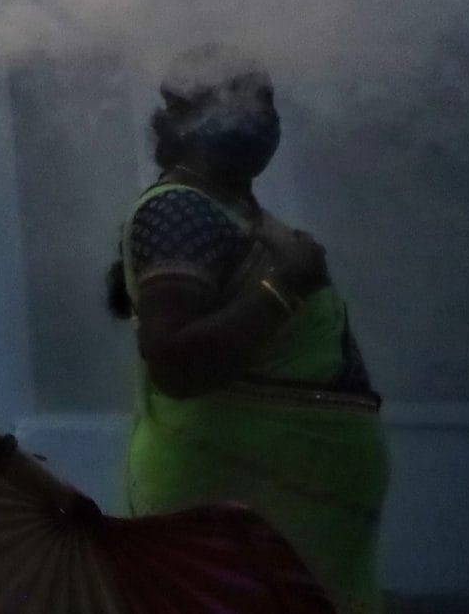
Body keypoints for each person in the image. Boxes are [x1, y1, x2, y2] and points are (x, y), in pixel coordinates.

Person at [108, 61, 388, 613]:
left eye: (269, 102)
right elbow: (175, 363)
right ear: (187, 116)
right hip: (239, 497)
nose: (266, 118)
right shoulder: (179, 209)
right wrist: (288, 284)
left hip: (281, 503)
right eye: (249, 100)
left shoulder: (225, 209)